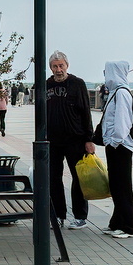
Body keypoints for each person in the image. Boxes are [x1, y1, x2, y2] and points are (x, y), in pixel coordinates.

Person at [45, 51, 96, 230]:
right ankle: (58, 215)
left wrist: (89, 139)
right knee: (53, 178)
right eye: (55, 66)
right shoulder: (46, 85)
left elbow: (86, 112)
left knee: (79, 177)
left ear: (67, 65)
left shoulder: (77, 84)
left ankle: (80, 217)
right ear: (50, 68)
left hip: (76, 139)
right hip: (52, 140)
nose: (58, 70)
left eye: (61, 66)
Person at [100, 60, 133, 238]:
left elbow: (123, 121)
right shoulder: (115, 92)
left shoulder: (122, 93)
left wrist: (115, 141)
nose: (105, 75)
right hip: (114, 145)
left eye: (107, 71)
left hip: (120, 146)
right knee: (116, 185)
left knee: (123, 186)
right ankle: (116, 222)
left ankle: (129, 227)